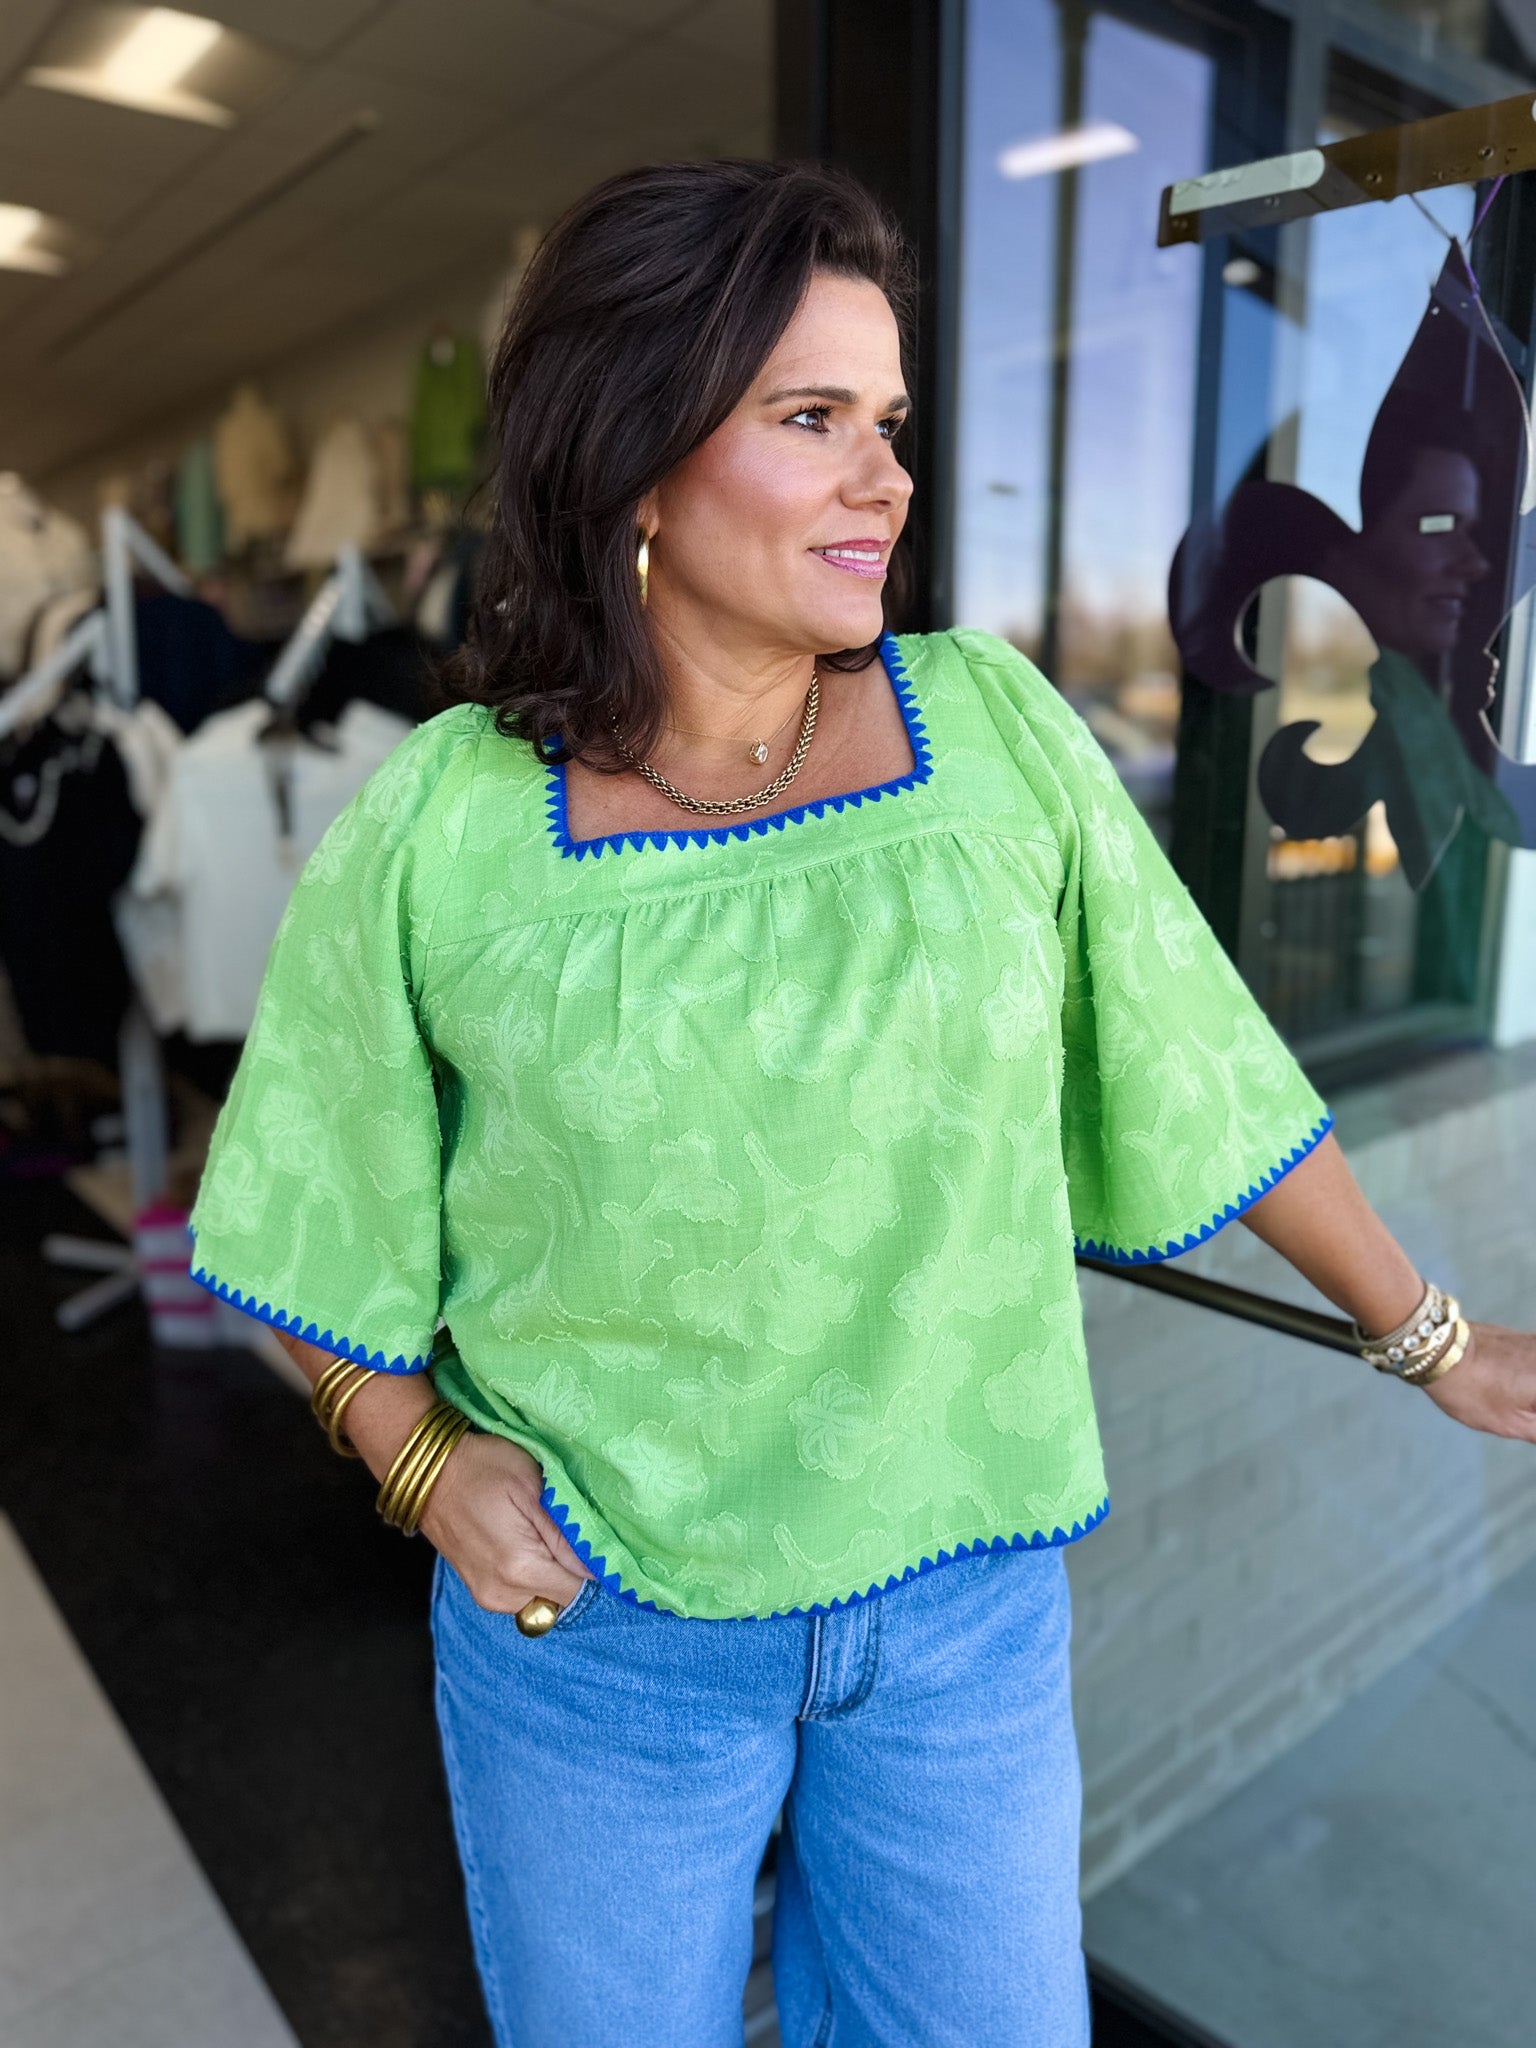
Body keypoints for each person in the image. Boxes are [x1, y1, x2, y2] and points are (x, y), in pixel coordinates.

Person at [189, 161, 1536, 2048]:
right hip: (606, 1639)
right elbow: (302, 1211)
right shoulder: (441, 829)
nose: (886, 479)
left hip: (959, 1618)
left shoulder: (990, 729)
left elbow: (1200, 1056)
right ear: (636, 458)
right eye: (810, 418)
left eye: (888, 423)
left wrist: (1435, 1337)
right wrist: (416, 1460)